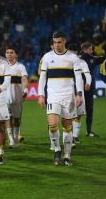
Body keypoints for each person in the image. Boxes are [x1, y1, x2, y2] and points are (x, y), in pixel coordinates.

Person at [38, 31, 83, 166]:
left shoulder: (73, 58)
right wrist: (41, 95)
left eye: (59, 42)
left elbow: (79, 77)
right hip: (53, 96)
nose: (57, 45)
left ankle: (67, 156)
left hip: (68, 96)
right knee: (52, 125)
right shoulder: (47, 57)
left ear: (64, 42)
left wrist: (79, 94)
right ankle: (57, 149)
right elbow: (42, 78)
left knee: (67, 127)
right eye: (55, 42)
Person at [78, 42, 106, 137]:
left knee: (88, 111)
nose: (92, 51)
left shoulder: (88, 58)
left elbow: (101, 59)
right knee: (79, 112)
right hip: (80, 89)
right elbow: (100, 59)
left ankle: (86, 132)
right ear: (85, 50)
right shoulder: (82, 58)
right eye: (90, 49)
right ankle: (81, 132)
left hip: (87, 89)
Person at [68, 44, 92, 146]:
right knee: (68, 115)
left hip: (79, 91)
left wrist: (88, 83)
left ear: (77, 52)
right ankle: (69, 136)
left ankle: (75, 136)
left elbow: (87, 74)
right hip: (68, 91)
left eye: (74, 52)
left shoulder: (82, 63)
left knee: (78, 115)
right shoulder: (65, 63)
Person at [5, 46, 29, 147]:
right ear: (5, 55)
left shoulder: (20, 67)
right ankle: (11, 140)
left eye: (11, 52)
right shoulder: (3, 67)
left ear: (16, 55)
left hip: (17, 97)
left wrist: (26, 90)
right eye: (7, 52)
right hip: (6, 97)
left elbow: (25, 80)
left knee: (17, 119)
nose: (9, 54)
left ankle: (15, 138)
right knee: (8, 118)